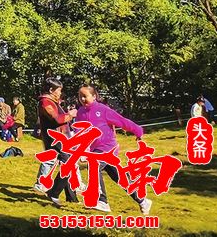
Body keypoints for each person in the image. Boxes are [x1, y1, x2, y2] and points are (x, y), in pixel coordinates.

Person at [76, 84, 152, 215]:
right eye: (80, 96)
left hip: (108, 147)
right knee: (121, 179)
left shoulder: (103, 109)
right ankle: (143, 201)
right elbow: (79, 130)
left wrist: (138, 132)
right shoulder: (80, 112)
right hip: (95, 149)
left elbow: (122, 121)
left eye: (85, 96)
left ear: (94, 96)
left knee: (94, 165)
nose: (82, 99)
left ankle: (102, 201)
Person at [33, 78, 81, 207]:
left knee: (70, 163)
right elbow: (57, 119)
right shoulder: (45, 102)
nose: (60, 93)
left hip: (61, 137)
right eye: (59, 90)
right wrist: (70, 114)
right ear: (51, 90)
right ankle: (53, 192)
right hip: (54, 139)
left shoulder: (53, 101)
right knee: (69, 164)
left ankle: (72, 197)